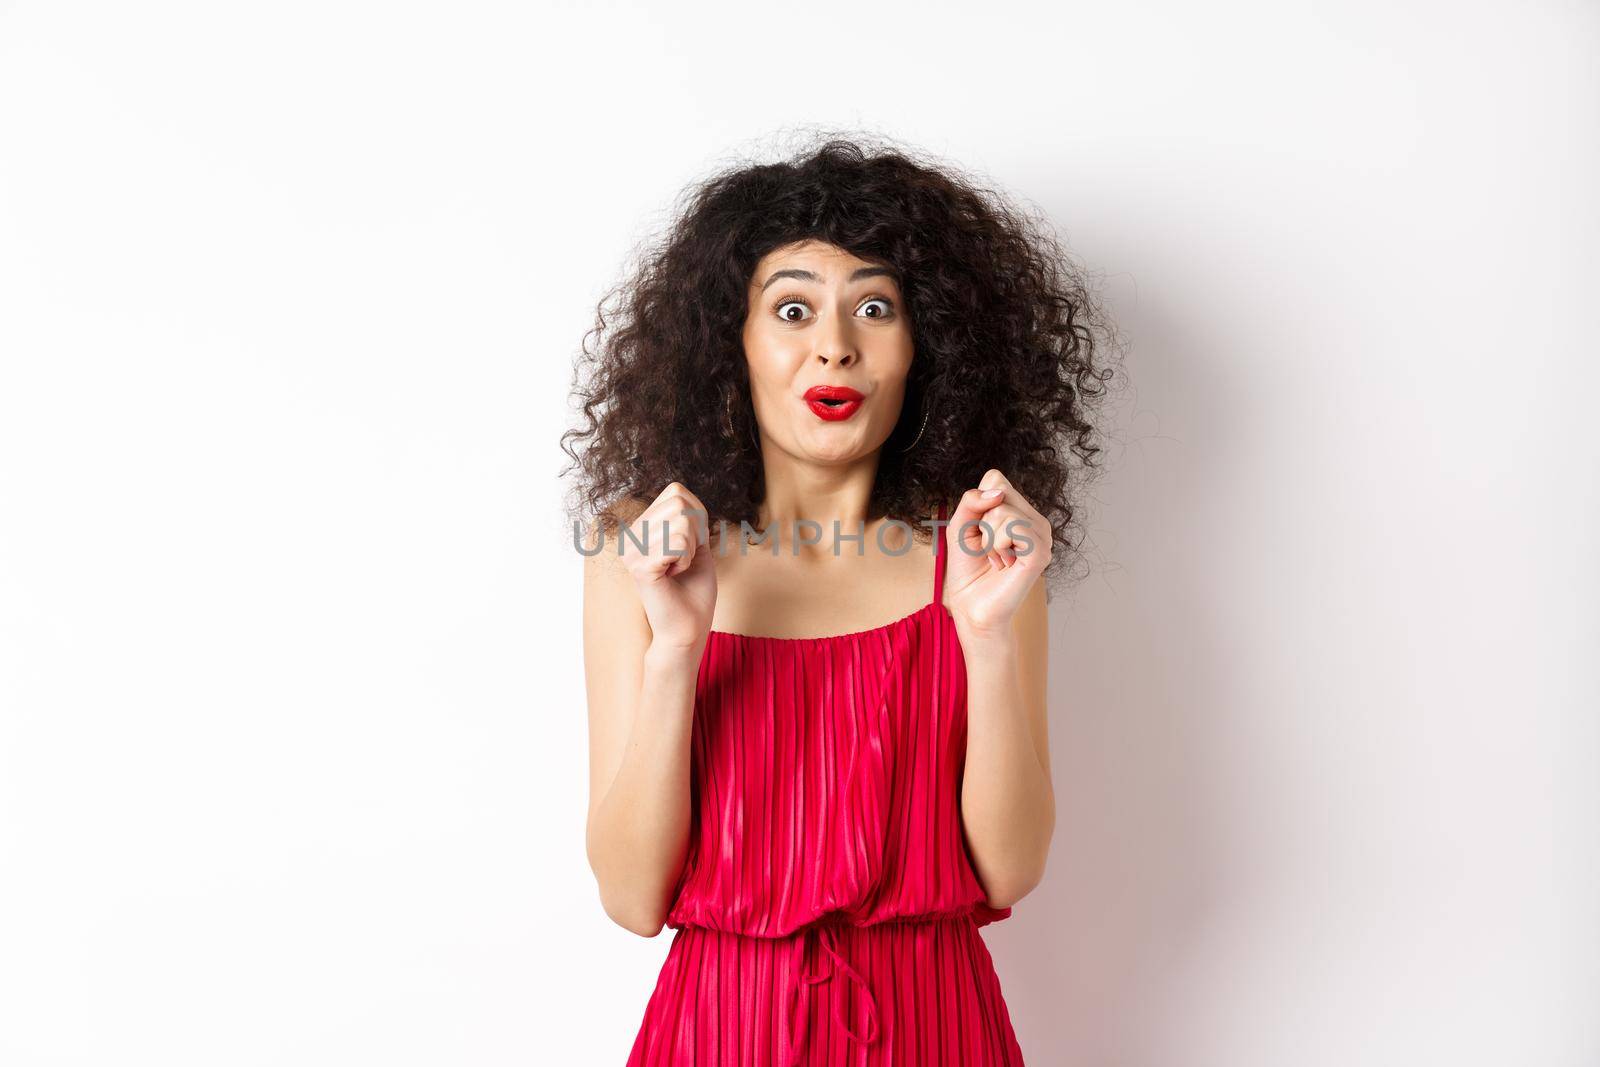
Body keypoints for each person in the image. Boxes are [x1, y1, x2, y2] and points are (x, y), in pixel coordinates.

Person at [561, 134, 1117, 1065]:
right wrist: (674, 651)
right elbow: (631, 896)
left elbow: (1010, 867)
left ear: (924, 345)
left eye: (874, 307)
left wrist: (984, 635)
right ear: (729, 344)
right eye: (791, 309)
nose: (835, 346)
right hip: (723, 1032)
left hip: (935, 1029)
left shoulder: (978, 557)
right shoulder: (643, 553)